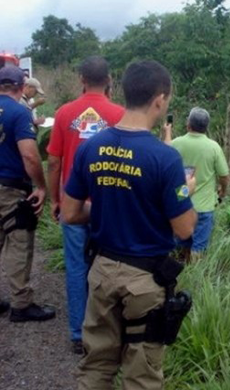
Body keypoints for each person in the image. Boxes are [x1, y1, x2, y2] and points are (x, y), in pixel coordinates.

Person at [61, 60, 197, 390]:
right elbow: (184, 229)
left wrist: (109, 204)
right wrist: (185, 189)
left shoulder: (91, 146)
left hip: (102, 269)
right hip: (145, 282)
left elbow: (70, 213)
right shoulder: (165, 159)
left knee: (96, 363)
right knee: (141, 375)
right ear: (160, 99)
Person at [46, 56, 124, 354]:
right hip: (109, 206)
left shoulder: (65, 114)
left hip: (74, 205)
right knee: (108, 266)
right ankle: (106, 329)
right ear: (109, 80)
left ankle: (78, 334)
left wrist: (56, 199)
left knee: (77, 266)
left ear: (81, 79)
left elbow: (54, 162)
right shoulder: (119, 114)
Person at [0, 65, 55, 322]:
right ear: (22, 88)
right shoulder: (19, 113)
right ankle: (21, 304)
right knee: (18, 241)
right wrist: (42, 186)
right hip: (10, 187)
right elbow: (30, 156)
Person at [163, 107, 229, 259]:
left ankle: (178, 275)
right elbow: (224, 176)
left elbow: (165, 152)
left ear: (188, 124)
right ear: (206, 127)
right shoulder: (213, 147)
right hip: (204, 207)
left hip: (181, 203)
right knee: (198, 247)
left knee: (179, 245)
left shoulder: (177, 143)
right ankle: (195, 278)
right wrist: (222, 191)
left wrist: (167, 132)